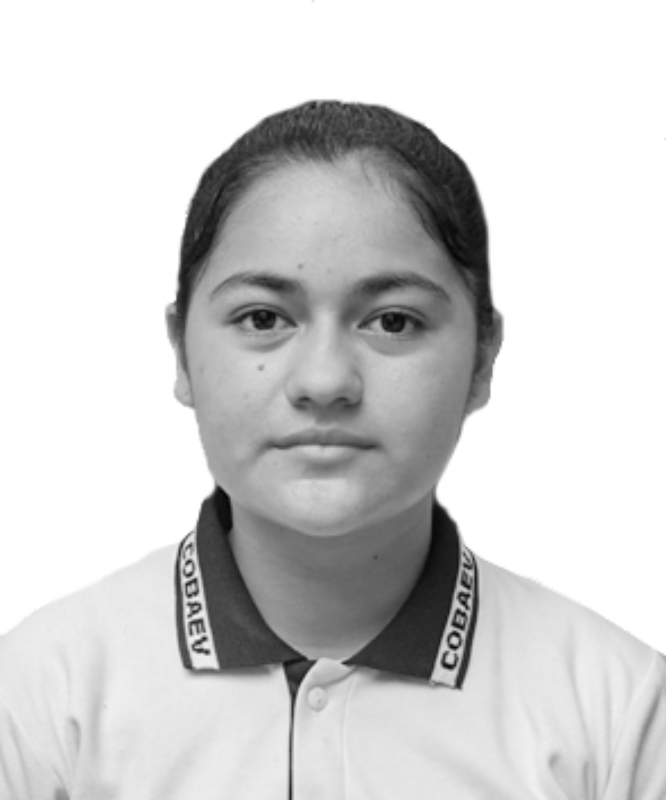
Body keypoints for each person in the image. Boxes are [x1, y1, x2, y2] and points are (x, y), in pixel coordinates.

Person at [0, 100, 664, 799]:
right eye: (263, 317)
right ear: (182, 353)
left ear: (482, 358)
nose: (324, 382)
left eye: (393, 321)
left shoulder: (619, 716)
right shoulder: (41, 698)